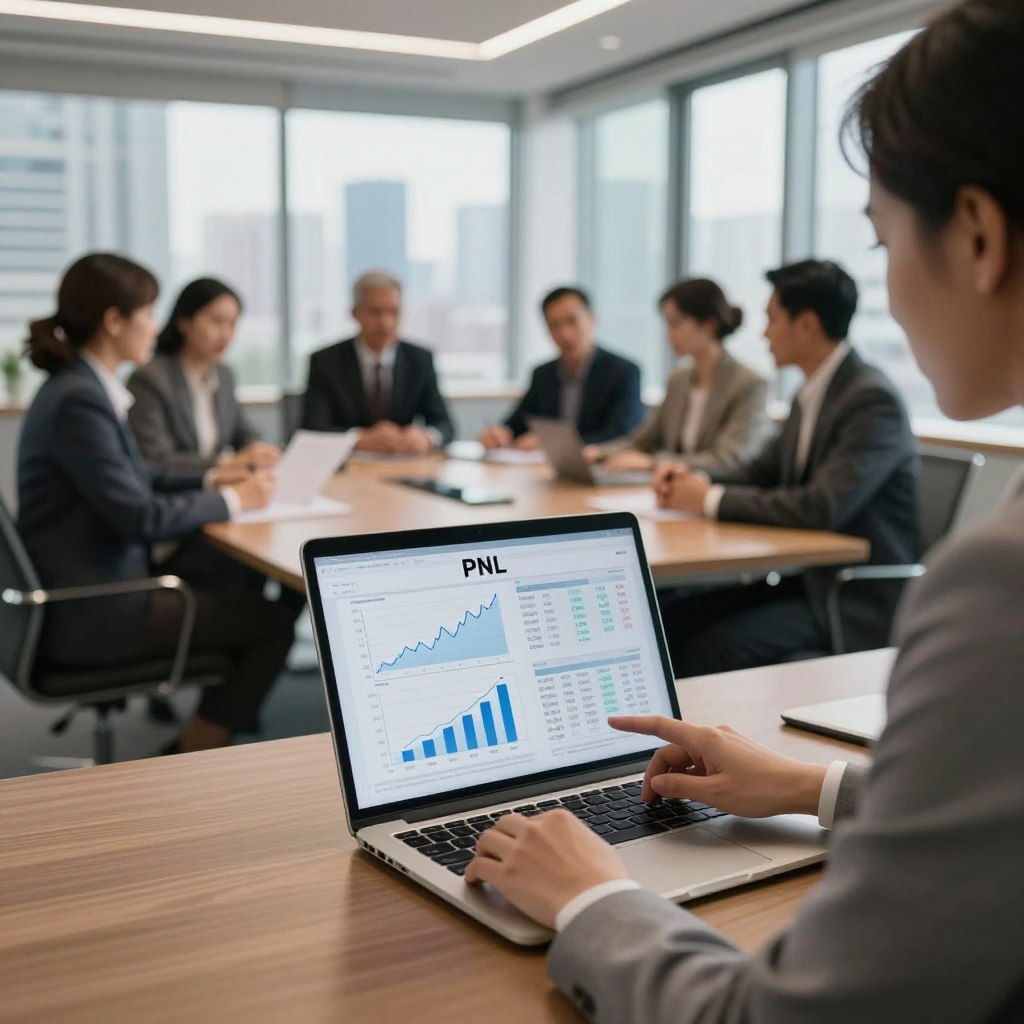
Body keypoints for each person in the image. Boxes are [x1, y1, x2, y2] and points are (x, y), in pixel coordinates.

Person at [465, 2, 1024, 1019]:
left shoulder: (1000, 580)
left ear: (977, 234)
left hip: (845, 603)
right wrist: (814, 788)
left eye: (884, 241)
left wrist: (590, 894)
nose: (890, 293)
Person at [17, 252, 295, 753]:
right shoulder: (80, 400)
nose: (154, 326)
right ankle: (189, 755)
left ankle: (203, 745)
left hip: (92, 589)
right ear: (114, 321)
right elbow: (141, 516)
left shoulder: (78, 389)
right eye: (147, 313)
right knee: (271, 622)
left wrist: (215, 474)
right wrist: (234, 499)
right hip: (96, 611)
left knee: (239, 594)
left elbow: (138, 475)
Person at [656, 260, 919, 674]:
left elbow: (821, 506)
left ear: (807, 325)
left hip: (849, 596)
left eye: (771, 318)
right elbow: (763, 470)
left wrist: (709, 499)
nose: (763, 332)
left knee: (711, 646)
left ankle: (708, 739)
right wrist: (697, 479)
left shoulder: (870, 400)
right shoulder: (812, 392)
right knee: (669, 615)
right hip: (803, 579)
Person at [589, 278, 770, 473]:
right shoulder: (678, 380)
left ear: (709, 324)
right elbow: (643, 441)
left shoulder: (748, 383)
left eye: (675, 324)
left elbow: (727, 459)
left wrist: (654, 463)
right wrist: (599, 452)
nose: (669, 334)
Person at [127, 277, 279, 476]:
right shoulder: (150, 378)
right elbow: (156, 459)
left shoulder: (224, 375)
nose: (226, 335)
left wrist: (259, 451)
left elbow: (243, 433)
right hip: (174, 495)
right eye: (217, 322)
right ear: (184, 323)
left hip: (215, 490)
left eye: (233, 324)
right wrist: (228, 463)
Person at [301, 270, 455, 452]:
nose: (386, 323)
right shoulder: (326, 362)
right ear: (355, 313)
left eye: (393, 312)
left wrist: (425, 437)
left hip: (404, 467)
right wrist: (358, 438)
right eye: (375, 312)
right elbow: (313, 429)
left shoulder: (419, 359)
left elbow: (445, 425)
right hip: (348, 471)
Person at [479, 286, 644, 451]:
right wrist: (501, 433)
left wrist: (555, 445)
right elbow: (518, 422)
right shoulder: (543, 374)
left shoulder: (623, 372)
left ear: (592, 320)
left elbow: (621, 433)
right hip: (546, 471)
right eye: (554, 325)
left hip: (603, 469)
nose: (565, 333)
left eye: (572, 321)